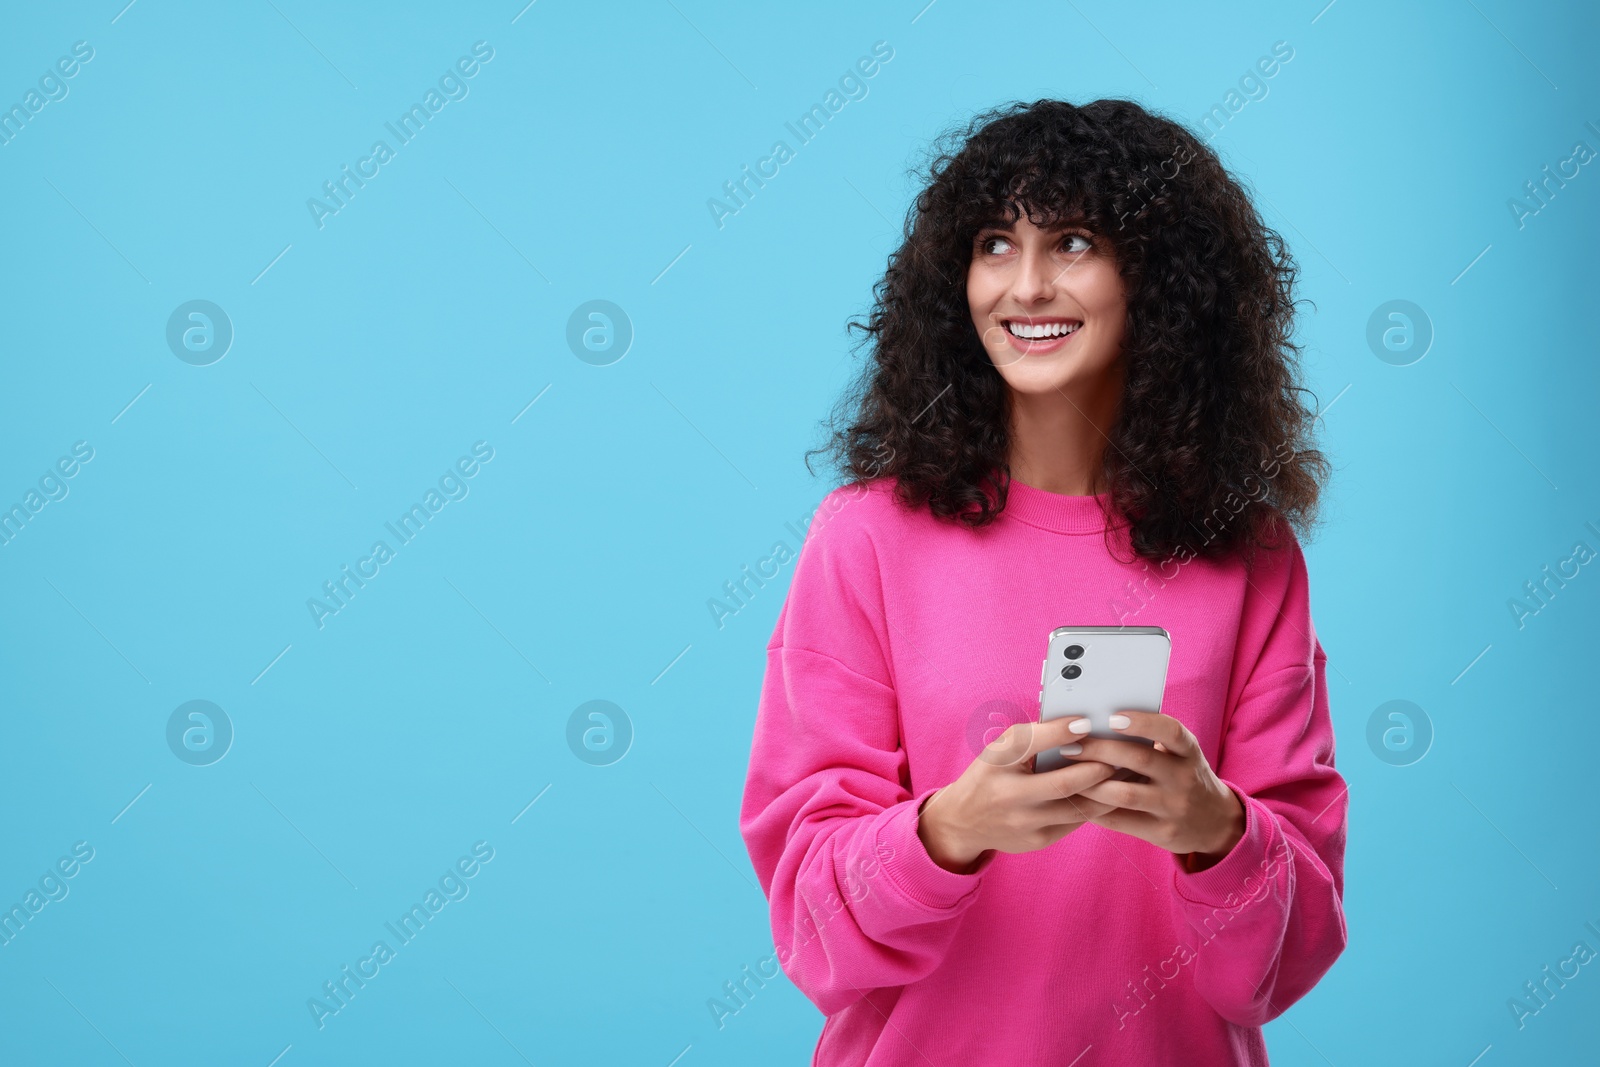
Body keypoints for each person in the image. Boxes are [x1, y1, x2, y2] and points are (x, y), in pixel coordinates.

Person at [738, 98, 1348, 1065]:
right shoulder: (864, 540)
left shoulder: (1253, 558)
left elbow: (1283, 962)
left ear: (1162, 279)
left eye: (1071, 242)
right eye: (993, 243)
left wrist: (1217, 829)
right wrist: (947, 831)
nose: (1024, 287)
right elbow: (814, 935)